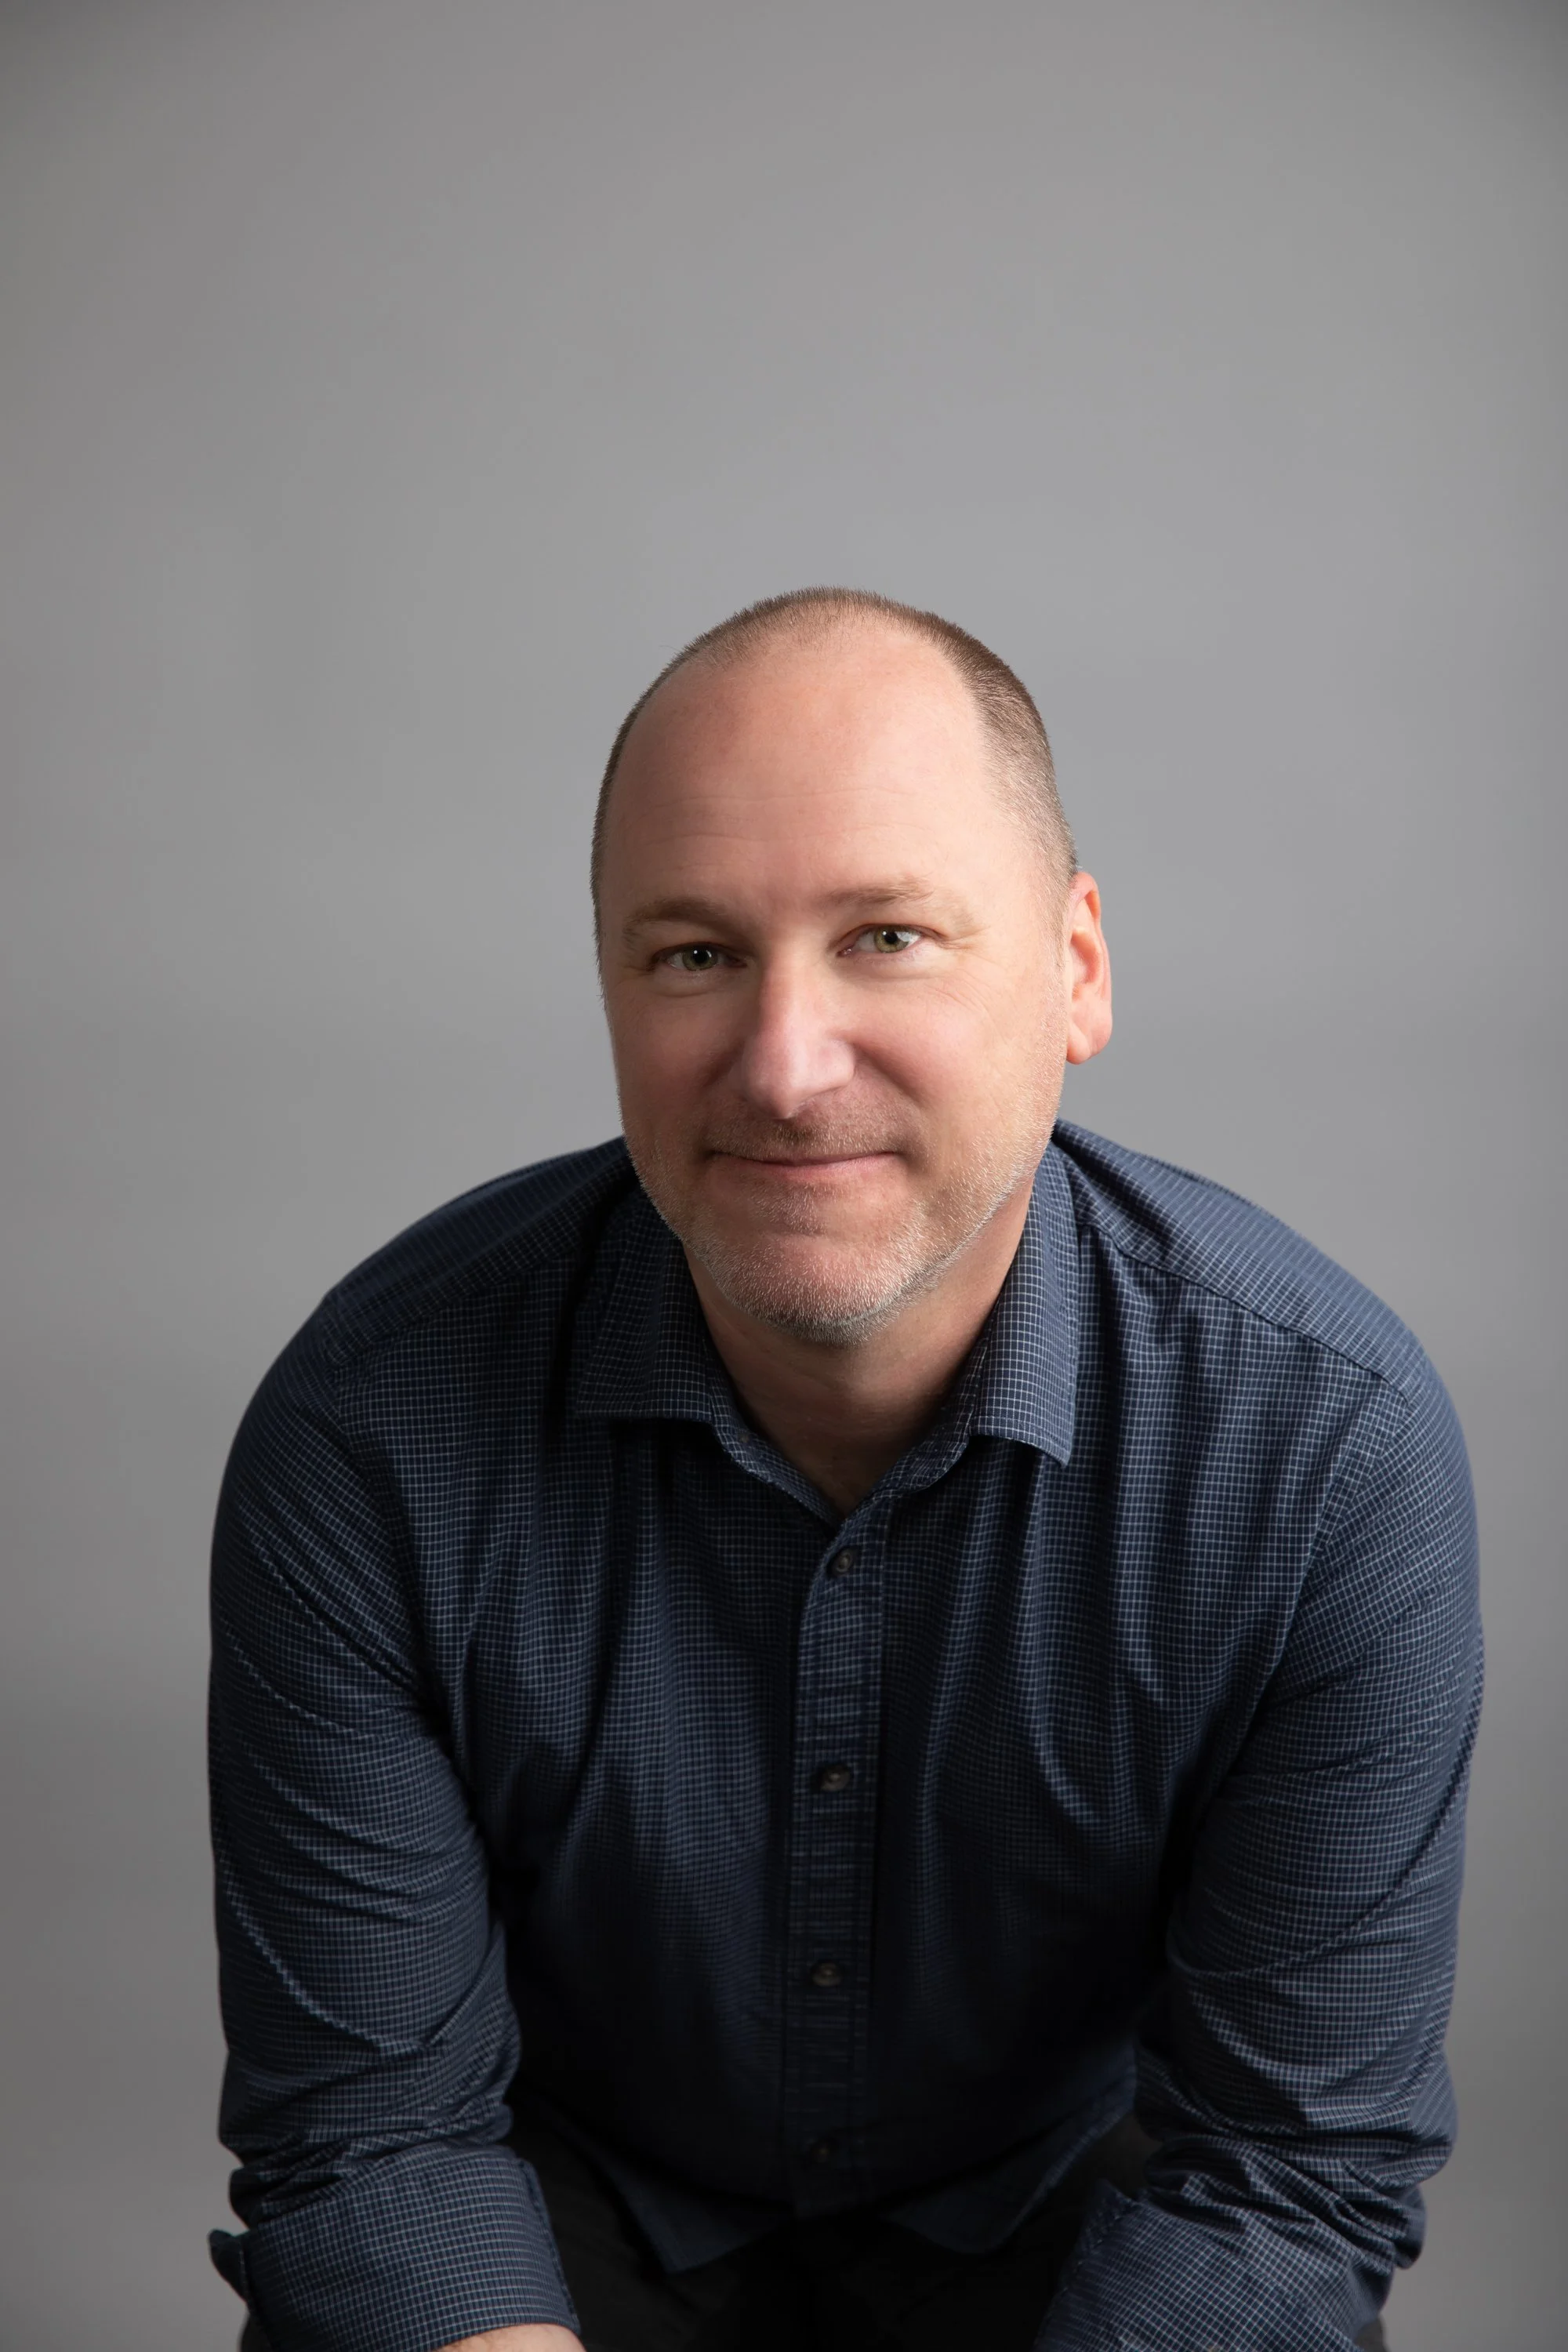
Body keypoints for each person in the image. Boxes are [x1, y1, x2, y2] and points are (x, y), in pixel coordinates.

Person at [209, 589, 1479, 2352]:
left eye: (887, 937)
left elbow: (1283, 2172)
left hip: (1083, 2230)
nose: (787, 1068)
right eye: (694, 956)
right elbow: (371, 2144)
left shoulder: (1323, 1452)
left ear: (1076, 970)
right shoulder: (371, 1431)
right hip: (547, 2223)